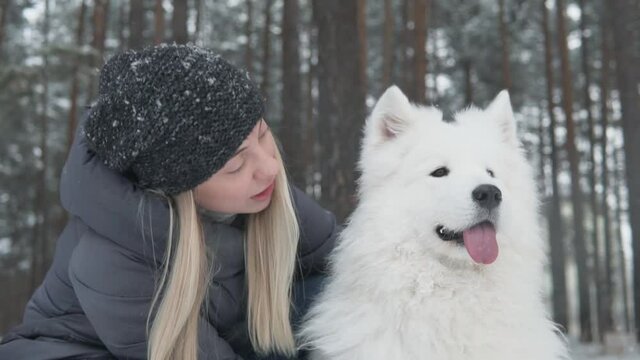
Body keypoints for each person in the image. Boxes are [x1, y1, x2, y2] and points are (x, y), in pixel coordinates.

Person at [0, 44, 339, 360]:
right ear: (181, 189)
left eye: (263, 135)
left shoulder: (260, 189)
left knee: (339, 297)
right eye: (235, 165)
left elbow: (348, 266)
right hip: (79, 350)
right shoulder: (114, 262)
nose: (270, 167)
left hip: (215, 337)